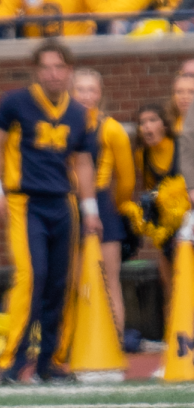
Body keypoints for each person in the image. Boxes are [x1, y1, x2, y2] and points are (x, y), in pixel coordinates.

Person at [0, 41, 100, 384]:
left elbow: (82, 161)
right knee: (30, 276)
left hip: (63, 203)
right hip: (26, 202)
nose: (53, 73)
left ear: (69, 70)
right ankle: (11, 361)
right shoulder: (16, 102)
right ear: (37, 70)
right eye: (47, 67)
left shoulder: (79, 113)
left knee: (60, 284)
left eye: (59, 66)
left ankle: (50, 362)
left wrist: (90, 206)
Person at [72, 69, 135, 336]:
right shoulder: (63, 126)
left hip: (103, 203)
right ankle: (80, 344)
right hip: (70, 204)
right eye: (80, 90)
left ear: (100, 94)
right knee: (76, 282)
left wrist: (117, 206)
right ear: (70, 93)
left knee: (109, 280)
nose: (86, 96)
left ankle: (115, 343)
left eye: (92, 90)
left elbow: (128, 180)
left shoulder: (111, 128)